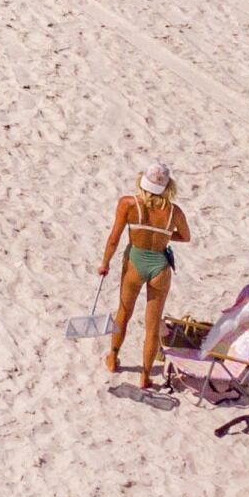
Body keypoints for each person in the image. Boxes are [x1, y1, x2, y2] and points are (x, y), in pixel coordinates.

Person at [98, 165, 190, 386]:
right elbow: (185, 237)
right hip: (160, 265)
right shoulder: (174, 212)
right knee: (152, 325)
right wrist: (165, 236)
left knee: (124, 312)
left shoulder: (129, 204)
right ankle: (145, 375)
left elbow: (114, 238)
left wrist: (105, 263)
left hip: (135, 262)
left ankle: (113, 358)